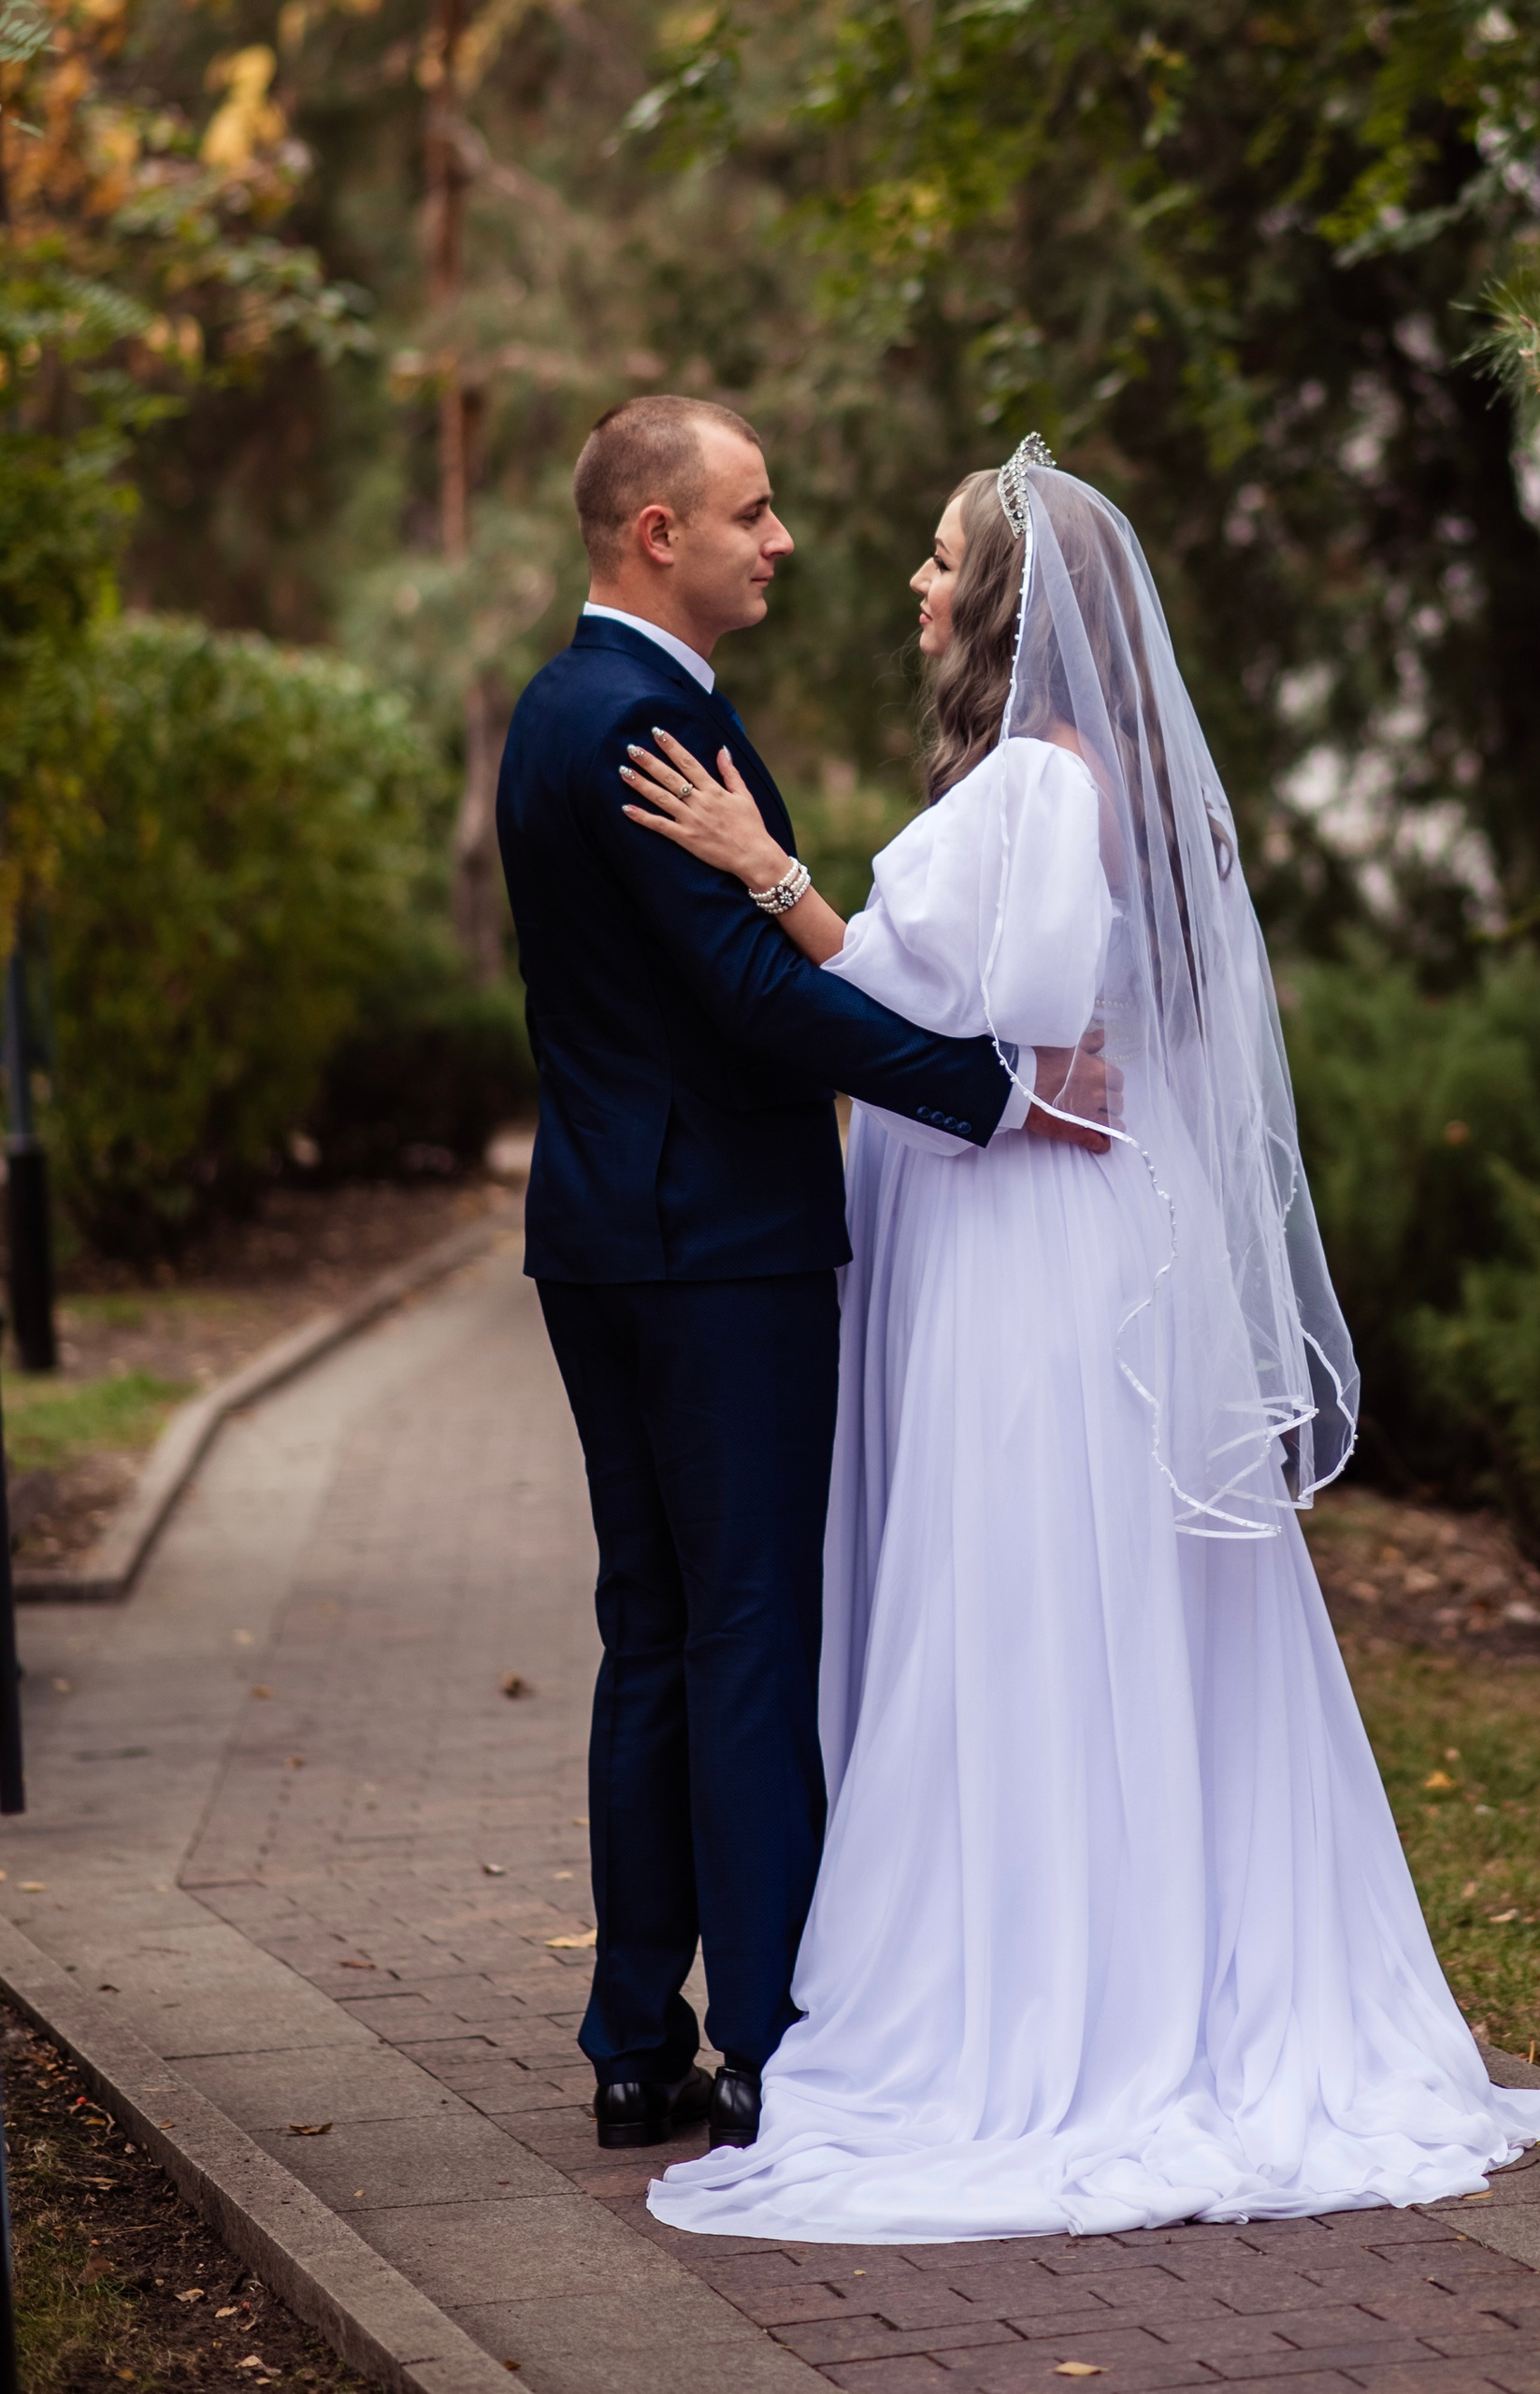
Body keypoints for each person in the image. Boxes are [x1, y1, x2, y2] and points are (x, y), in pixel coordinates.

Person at [612, 434, 1540, 2241]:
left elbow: (1021, 1016)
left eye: (934, 555)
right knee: (1037, 1595)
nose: (910, 578)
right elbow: (1002, 1021)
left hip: (1029, 1255)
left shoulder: (1052, 781)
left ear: (1006, 601)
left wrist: (768, 874)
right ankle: (1083, 1945)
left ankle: (1053, 1999)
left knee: (1024, 1592)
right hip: (1008, 1220)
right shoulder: (1047, 771)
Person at [496, 398, 1109, 2159]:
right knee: (748, 1632)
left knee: (653, 1635)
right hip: (720, 1252)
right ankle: (764, 2034)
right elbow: (753, 1004)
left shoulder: (563, 705)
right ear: (654, 536)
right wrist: (988, 1090)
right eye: (750, 513)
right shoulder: (647, 726)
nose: (785, 542)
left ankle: (634, 2042)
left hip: (602, 1232)